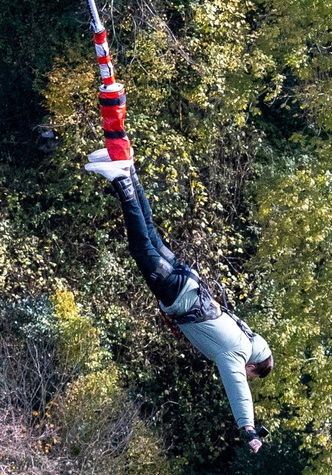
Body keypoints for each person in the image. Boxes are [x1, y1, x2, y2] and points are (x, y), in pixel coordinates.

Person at [85, 149, 273, 451]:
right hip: (177, 293)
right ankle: (121, 180)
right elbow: (239, 391)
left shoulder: (245, 334)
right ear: (252, 368)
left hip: (188, 280)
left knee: (150, 235)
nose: (246, 376)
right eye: (252, 374)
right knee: (140, 246)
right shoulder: (236, 353)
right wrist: (248, 429)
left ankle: (129, 171)